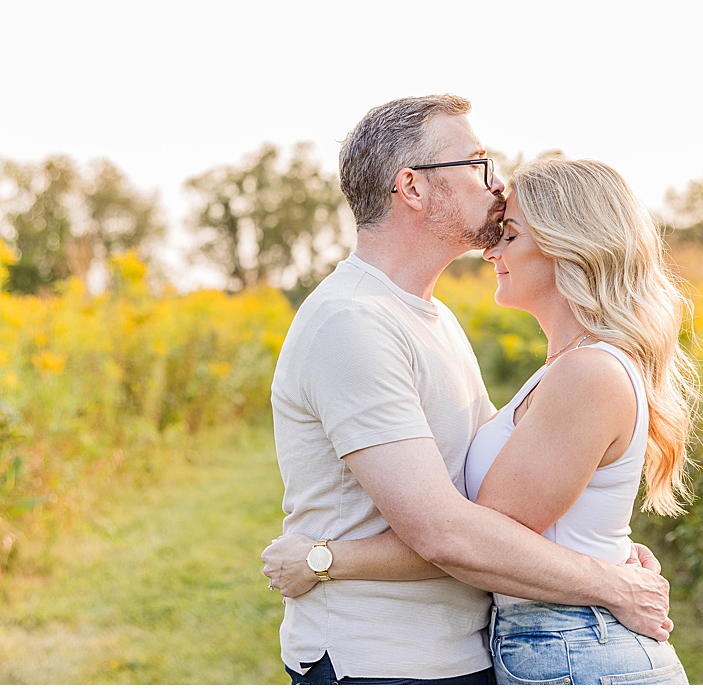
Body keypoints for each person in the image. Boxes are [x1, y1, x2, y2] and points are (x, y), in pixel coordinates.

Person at [263, 96, 672, 685]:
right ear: (412, 187)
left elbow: (489, 507)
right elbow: (446, 530)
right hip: (385, 658)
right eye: (477, 164)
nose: (497, 183)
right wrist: (606, 579)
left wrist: (603, 561)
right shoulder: (352, 321)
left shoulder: (432, 318)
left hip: (462, 650)